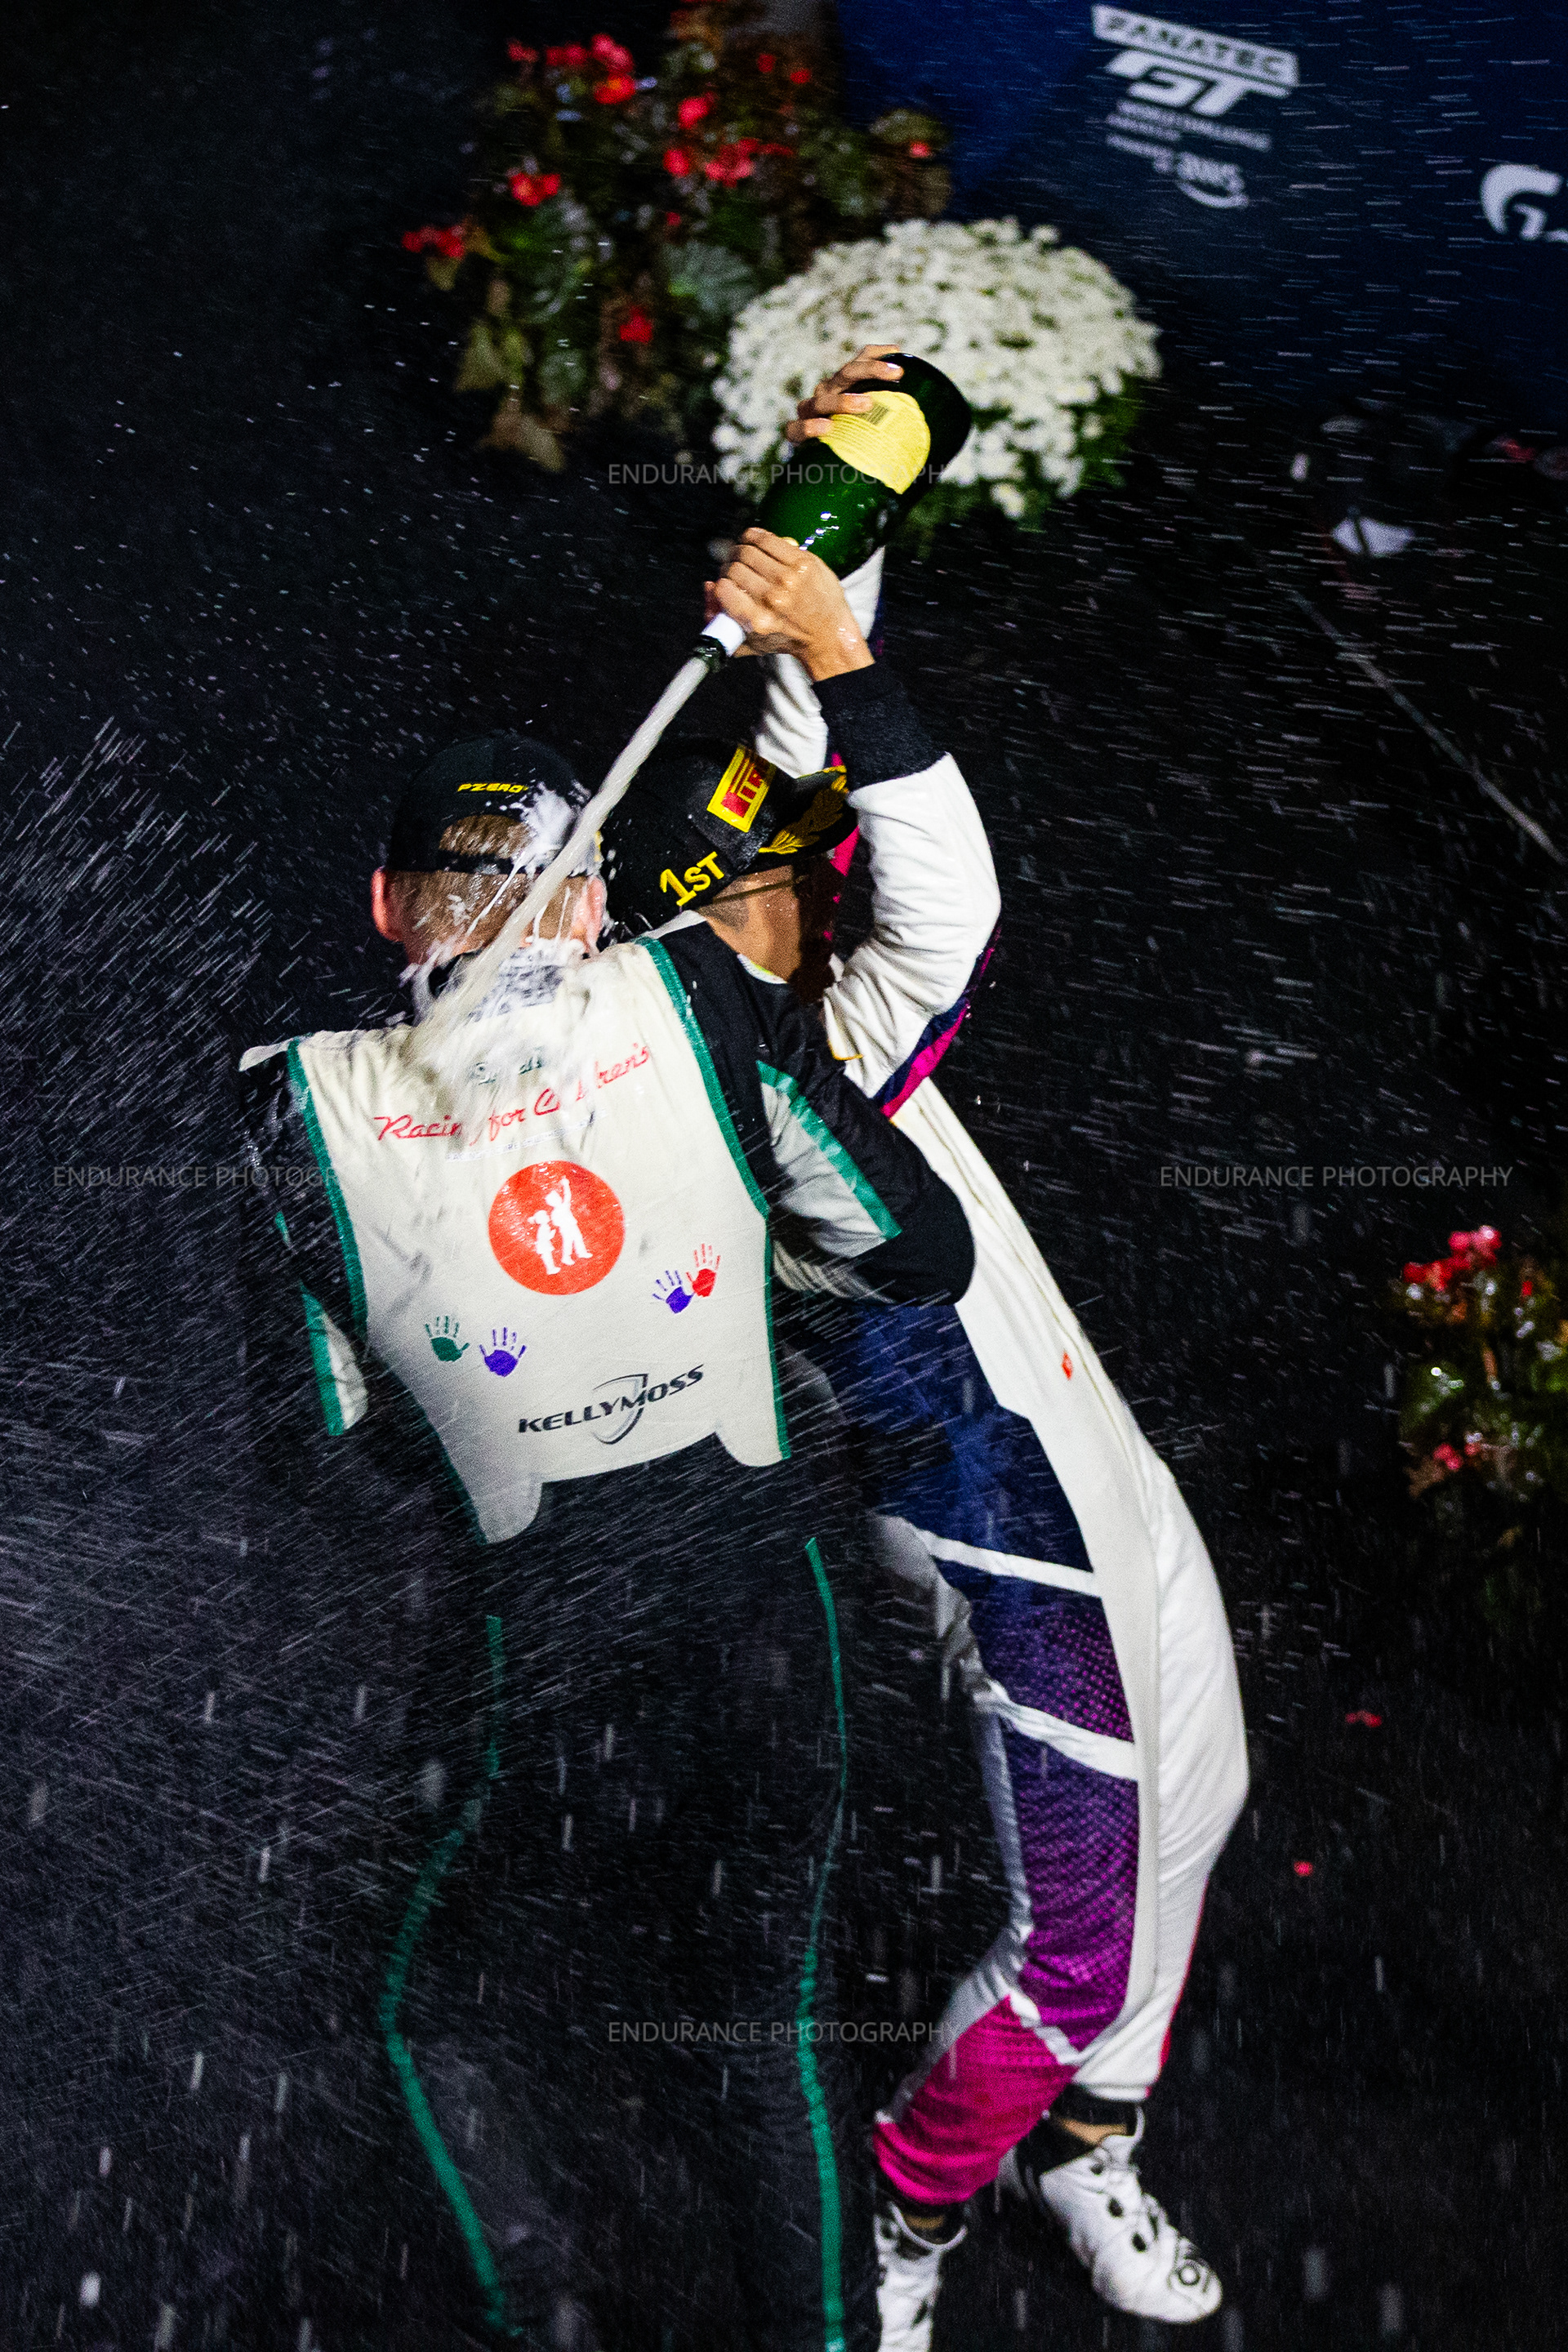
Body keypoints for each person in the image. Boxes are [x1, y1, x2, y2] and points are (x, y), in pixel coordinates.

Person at [602, 346, 1249, 2348]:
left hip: (1097, 1461)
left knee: (1205, 1803)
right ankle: (903, 2215)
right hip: (1000, 1538)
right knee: (1076, 1945)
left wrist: (839, 533)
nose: (816, 877)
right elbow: (944, 886)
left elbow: (817, 751)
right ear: (717, 936)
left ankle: (1091, 2147)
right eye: (776, 883)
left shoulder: (778, 996)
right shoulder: (771, 1083)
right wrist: (834, 648)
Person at [236, 727, 974, 2349]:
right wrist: (744, 1247)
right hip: (769, 1611)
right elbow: (920, 1251)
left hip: (542, 1651)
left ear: (386, 908)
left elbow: (327, 1439)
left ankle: (540, 2314)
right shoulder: (698, 997)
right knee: (763, 2021)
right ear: (586, 908)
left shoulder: (289, 1113)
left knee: (423, 2008)